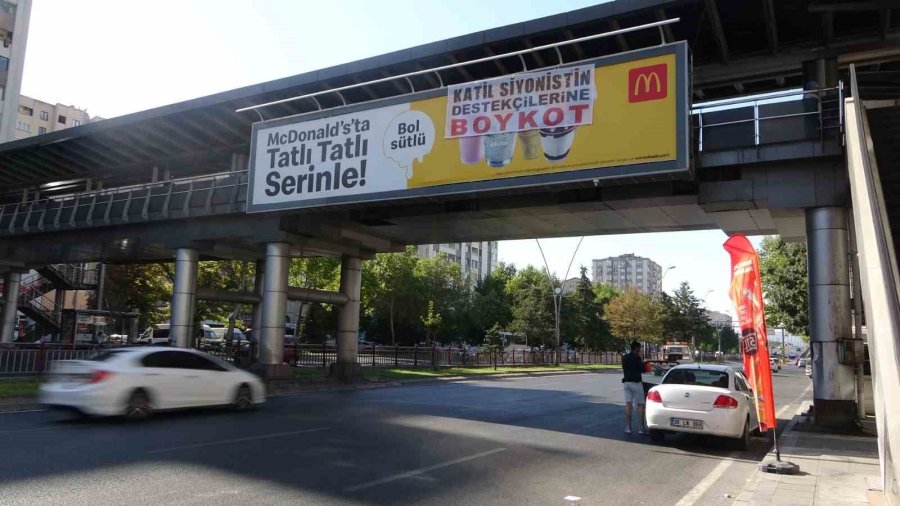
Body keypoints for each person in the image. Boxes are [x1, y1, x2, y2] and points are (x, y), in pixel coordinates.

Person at [622, 340, 647, 435]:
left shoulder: (624, 357)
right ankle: (641, 428)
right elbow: (642, 369)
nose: (640, 351)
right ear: (636, 349)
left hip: (626, 383)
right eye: (639, 349)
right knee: (641, 404)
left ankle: (628, 427)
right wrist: (640, 359)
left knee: (628, 404)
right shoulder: (637, 358)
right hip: (636, 383)